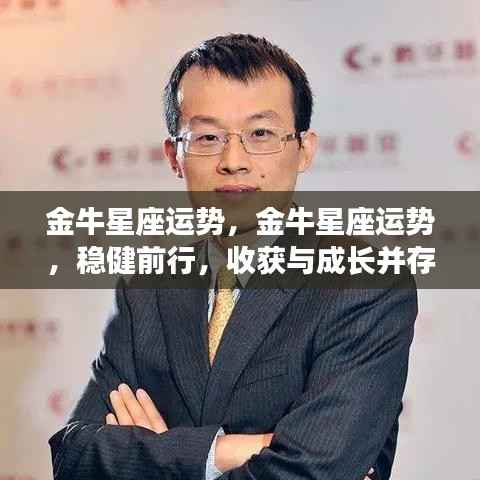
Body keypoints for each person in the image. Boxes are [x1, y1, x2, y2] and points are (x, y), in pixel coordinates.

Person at [49, 34, 417, 480]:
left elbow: (313, 470)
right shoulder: (146, 289)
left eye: (260, 134)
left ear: (304, 149)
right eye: (207, 136)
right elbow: (75, 456)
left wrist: (158, 456)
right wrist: (225, 450)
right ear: (174, 155)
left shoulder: (363, 282)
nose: (233, 160)